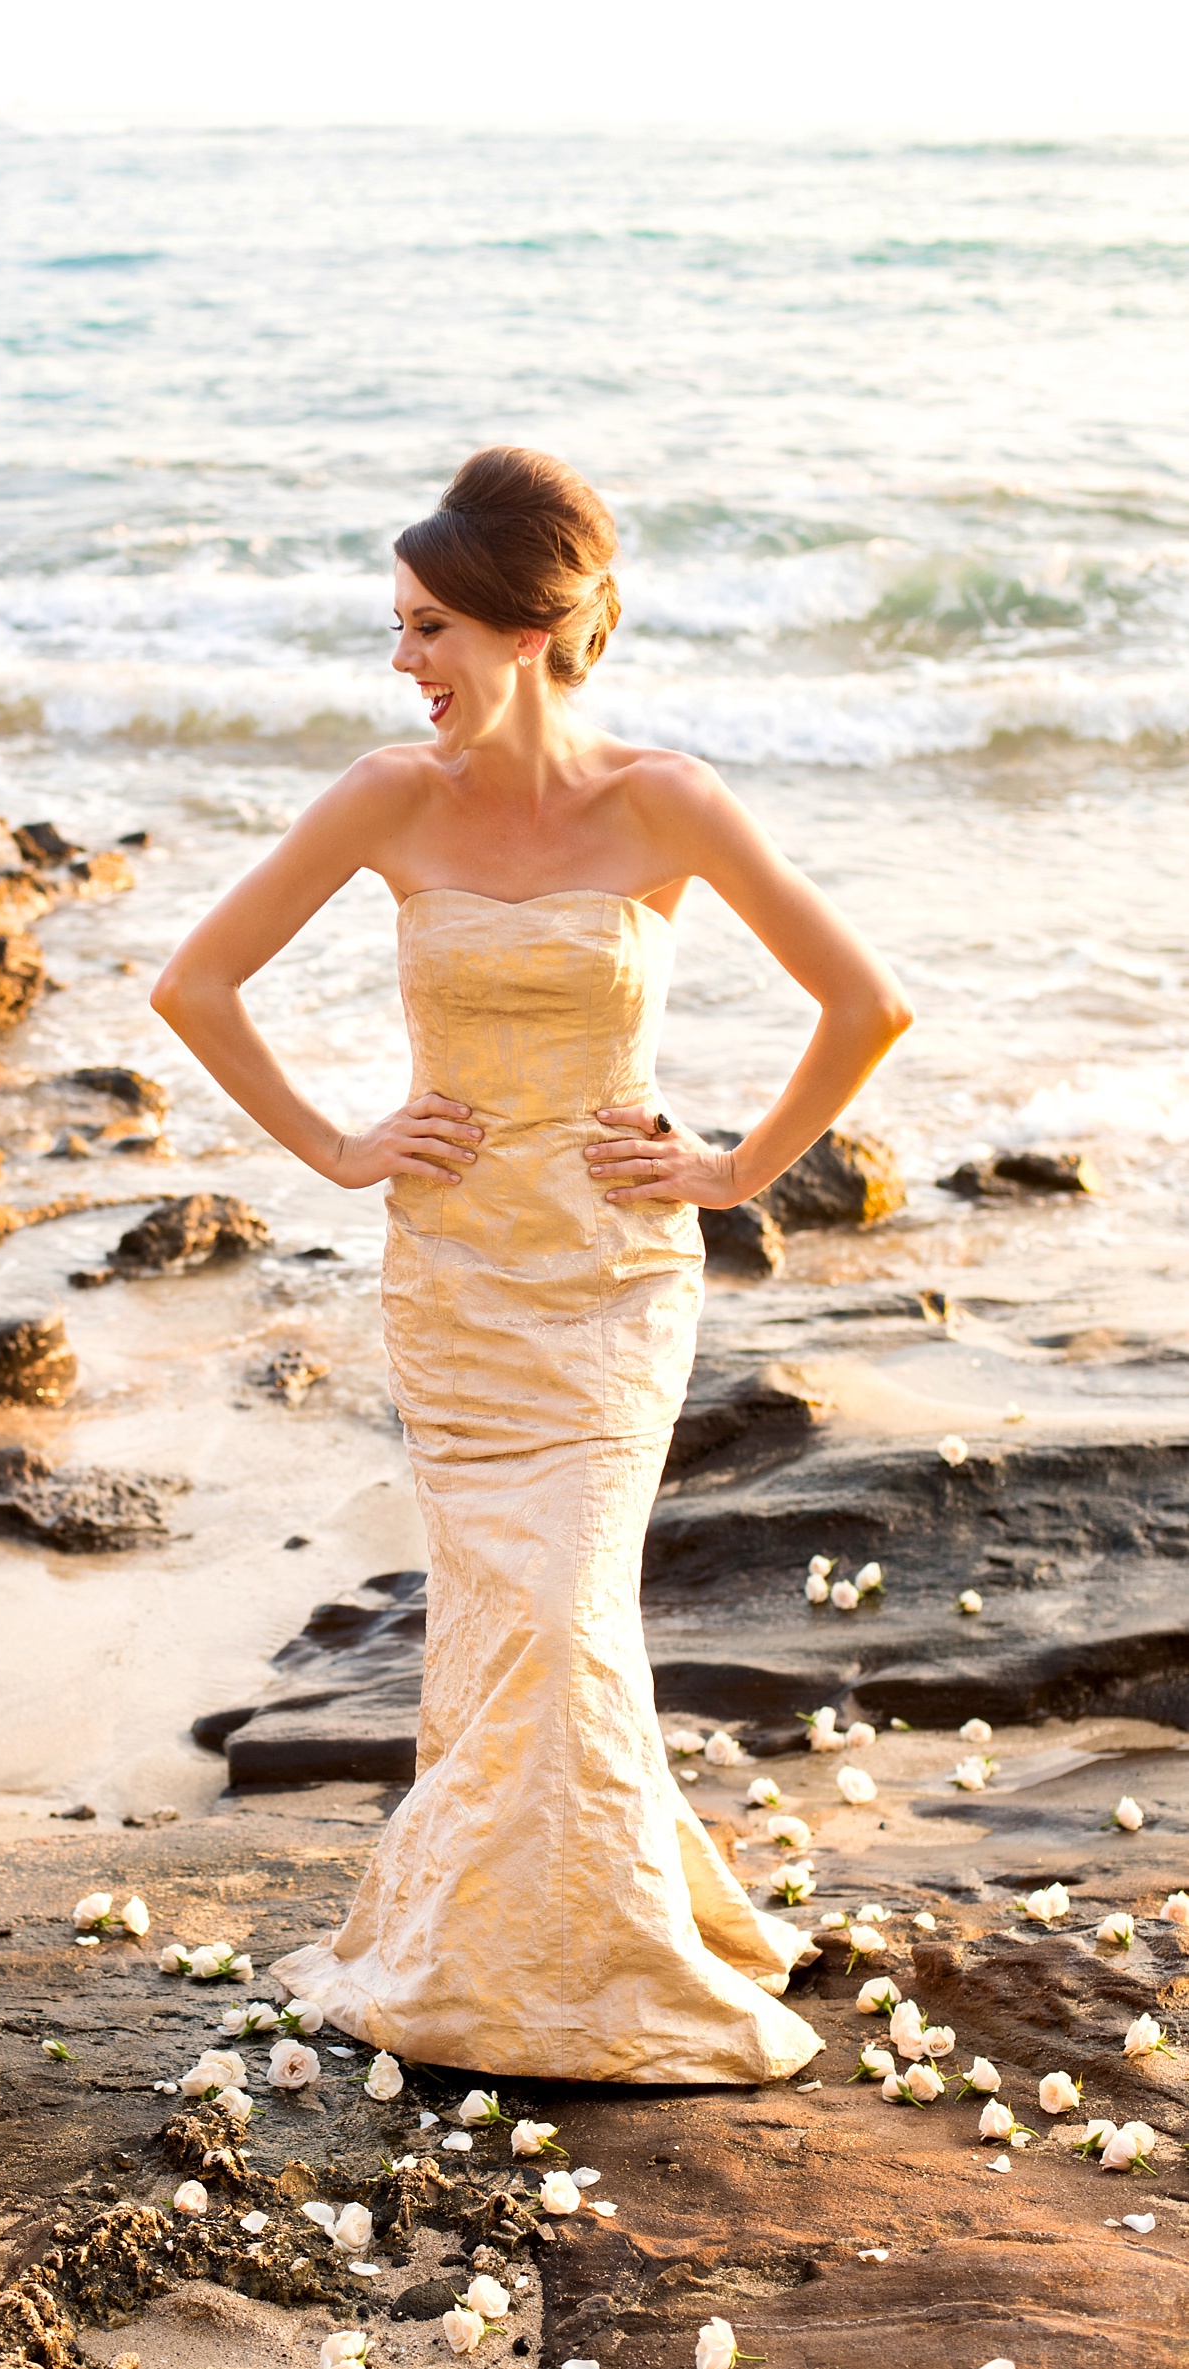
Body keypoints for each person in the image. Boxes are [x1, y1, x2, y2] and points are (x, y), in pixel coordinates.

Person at [151, 446, 911, 2083]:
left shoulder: (668, 801)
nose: (404, 660)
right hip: (454, 1281)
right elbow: (195, 986)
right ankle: (510, 1952)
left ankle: (584, 1964)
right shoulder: (384, 798)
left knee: (563, 1609)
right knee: (510, 1622)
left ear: (519, 629)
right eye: (401, 626)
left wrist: (730, 1172)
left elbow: (866, 1007)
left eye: (428, 627)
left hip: (615, 1278)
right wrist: (343, 1147)